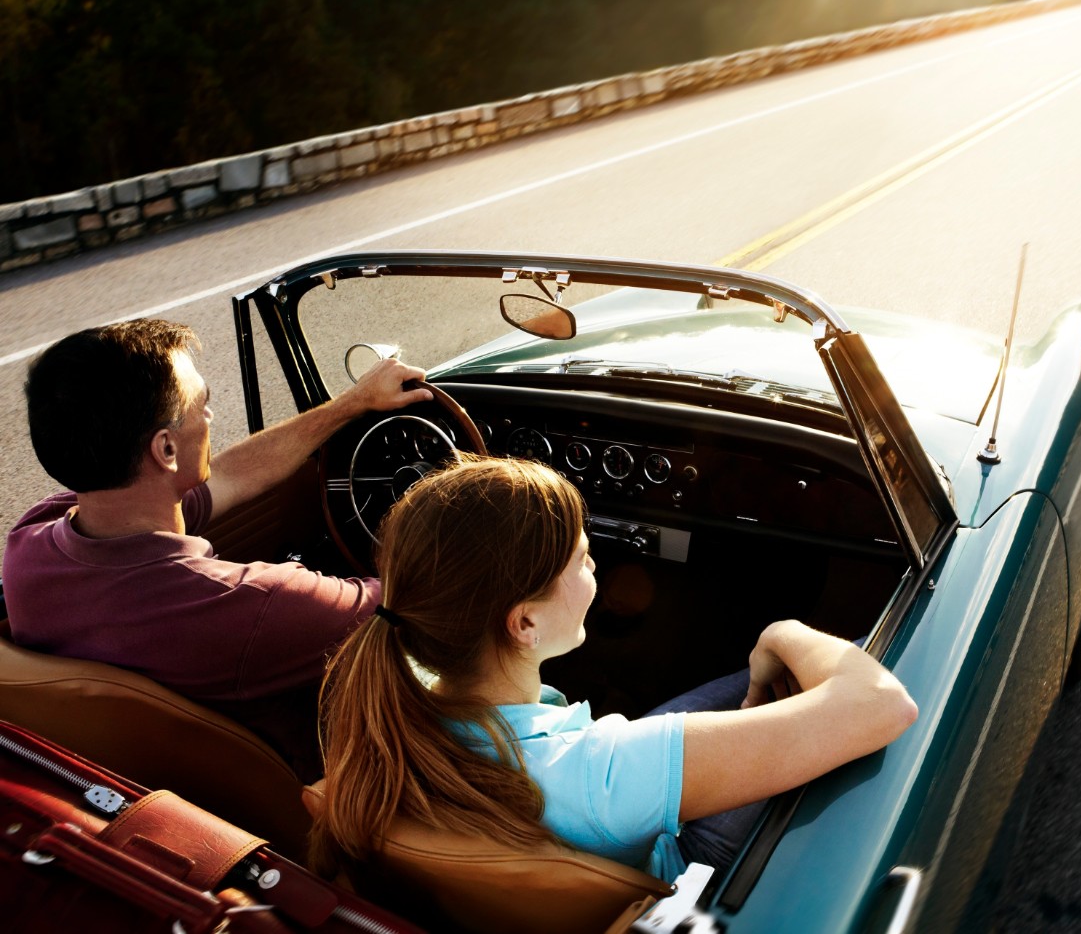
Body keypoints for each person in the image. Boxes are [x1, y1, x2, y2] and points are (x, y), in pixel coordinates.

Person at [310, 456, 918, 882]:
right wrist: (781, 631)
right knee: (870, 645)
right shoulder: (603, 770)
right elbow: (881, 704)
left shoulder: (397, 698)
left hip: (604, 804)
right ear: (523, 623)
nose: (597, 562)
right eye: (581, 556)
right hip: (682, 859)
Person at [3, 319, 434, 779]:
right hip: (333, 776)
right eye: (202, 405)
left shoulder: (30, 543)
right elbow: (421, 600)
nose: (210, 417)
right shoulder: (250, 603)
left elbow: (229, 476)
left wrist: (353, 404)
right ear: (166, 449)